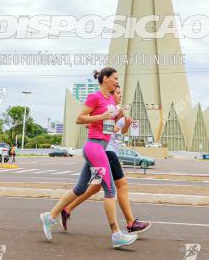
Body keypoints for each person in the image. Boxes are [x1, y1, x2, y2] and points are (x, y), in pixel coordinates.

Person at [40, 68, 138, 248]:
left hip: (99, 148)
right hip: (94, 147)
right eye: (115, 78)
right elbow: (79, 119)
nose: (117, 81)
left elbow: (112, 126)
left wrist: (121, 118)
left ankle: (50, 216)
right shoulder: (94, 97)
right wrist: (101, 116)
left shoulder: (109, 99)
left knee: (79, 189)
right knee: (110, 190)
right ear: (105, 79)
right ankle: (116, 234)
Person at [59, 84, 150, 235]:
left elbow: (119, 135)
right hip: (106, 152)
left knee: (93, 187)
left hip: (105, 150)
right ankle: (130, 223)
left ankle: (67, 209)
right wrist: (116, 120)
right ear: (111, 94)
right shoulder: (109, 110)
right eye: (118, 93)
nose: (120, 96)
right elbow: (103, 129)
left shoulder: (117, 111)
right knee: (122, 186)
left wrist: (125, 124)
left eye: (121, 93)